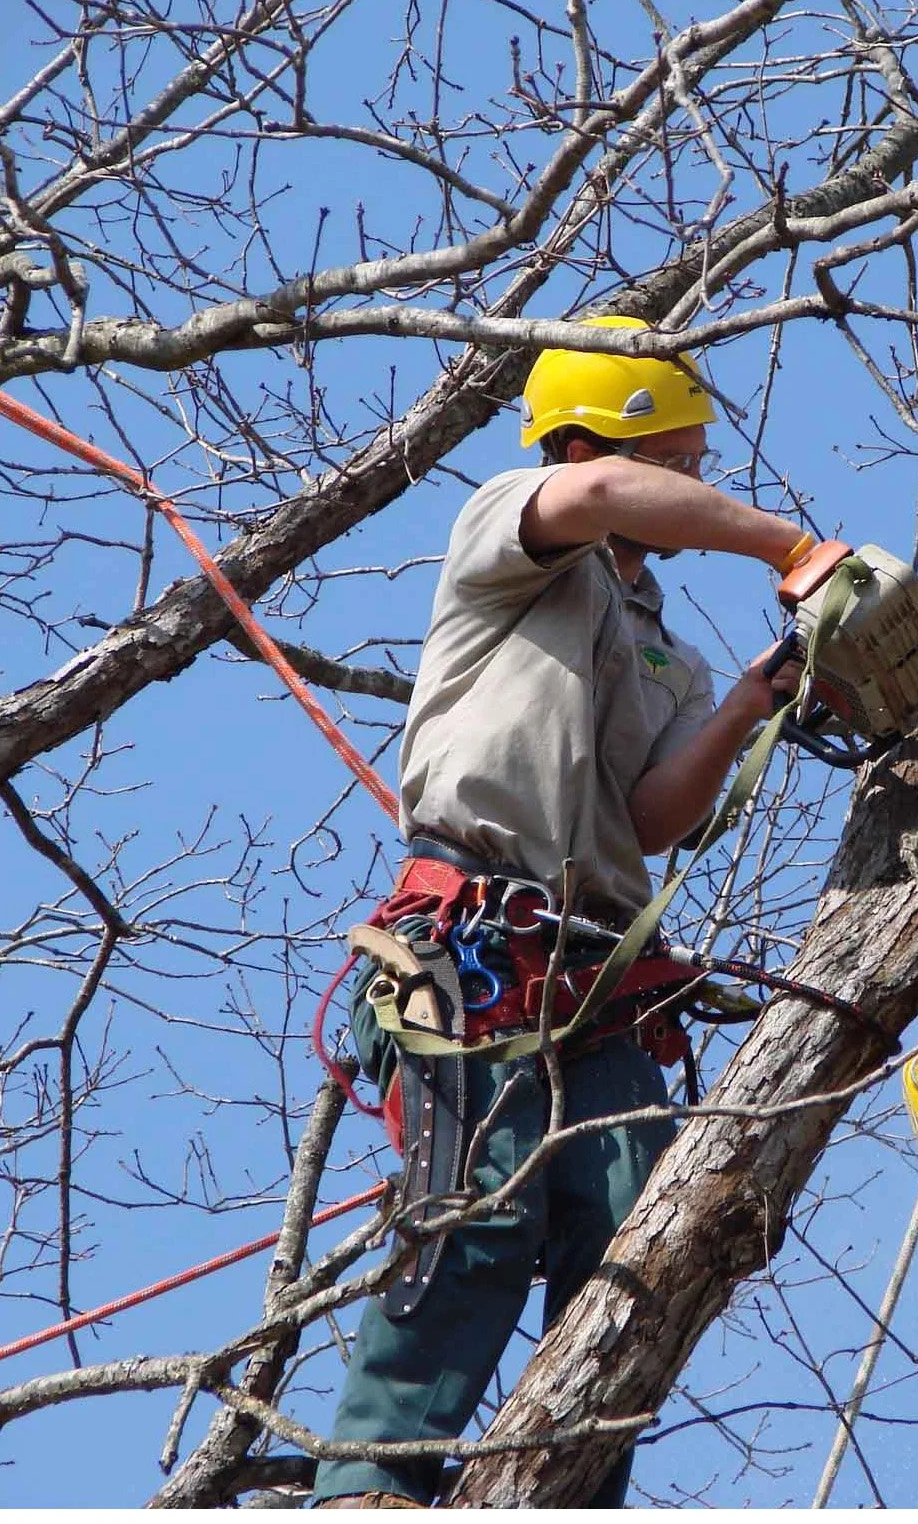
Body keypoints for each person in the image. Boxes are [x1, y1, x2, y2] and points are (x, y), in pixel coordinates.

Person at [311, 317, 817, 1509]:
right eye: (676, 465)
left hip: (602, 978)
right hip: (472, 948)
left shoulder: (666, 654)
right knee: (477, 1221)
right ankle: (366, 1484)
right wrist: (793, 544)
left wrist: (751, 698)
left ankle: (570, 1489)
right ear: (599, 439)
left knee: (629, 1254)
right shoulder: (514, 526)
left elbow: (650, 819)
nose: (688, 488)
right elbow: (591, 491)